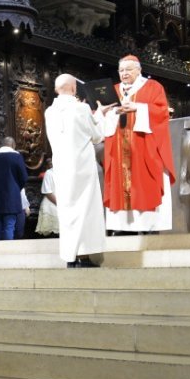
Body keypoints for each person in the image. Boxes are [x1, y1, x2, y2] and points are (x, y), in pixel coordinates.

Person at [97, 54, 176, 232]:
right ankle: (120, 227)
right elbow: (101, 121)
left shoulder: (153, 87)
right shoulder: (113, 90)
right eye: (121, 70)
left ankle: (147, 226)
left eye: (128, 69)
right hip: (117, 149)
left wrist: (138, 108)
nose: (124, 73)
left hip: (143, 147)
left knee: (144, 184)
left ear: (138, 70)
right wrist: (110, 112)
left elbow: (162, 112)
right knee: (118, 184)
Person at [45, 73, 105, 267]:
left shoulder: (49, 112)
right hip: (82, 167)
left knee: (68, 212)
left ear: (56, 89)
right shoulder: (82, 108)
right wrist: (101, 115)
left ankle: (70, 257)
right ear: (74, 88)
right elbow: (97, 136)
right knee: (85, 210)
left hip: (62, 168)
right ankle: (84, 256)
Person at [0, 137, 28, 240]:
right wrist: (16, 189)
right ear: (13, 145)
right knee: (9, 226)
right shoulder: (17, 157)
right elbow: (24, 177)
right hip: (12, 197)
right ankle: (7, 254)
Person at [35, 159, 60, 237]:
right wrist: (60, 204)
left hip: (64, 206)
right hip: (52, 206)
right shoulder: (49, 173)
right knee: (53, 234)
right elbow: (47, 192)